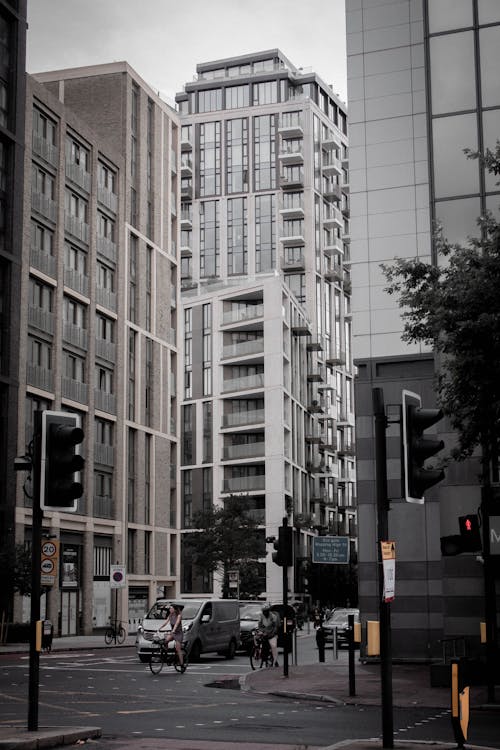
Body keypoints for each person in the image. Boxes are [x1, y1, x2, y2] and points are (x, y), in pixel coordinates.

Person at [160, 604, 185, 671]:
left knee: (178, 649)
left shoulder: (179, 616)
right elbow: (165, 623)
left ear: (175, 609)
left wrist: (173, 630)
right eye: (169, 608)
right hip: (173, 633)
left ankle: (182, 665)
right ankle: (167, 656)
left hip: (178, 633)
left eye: (171, 608)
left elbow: (176, 624)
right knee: (166, 641)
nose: (170, 609)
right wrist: (160, 628)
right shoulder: (170, 615)